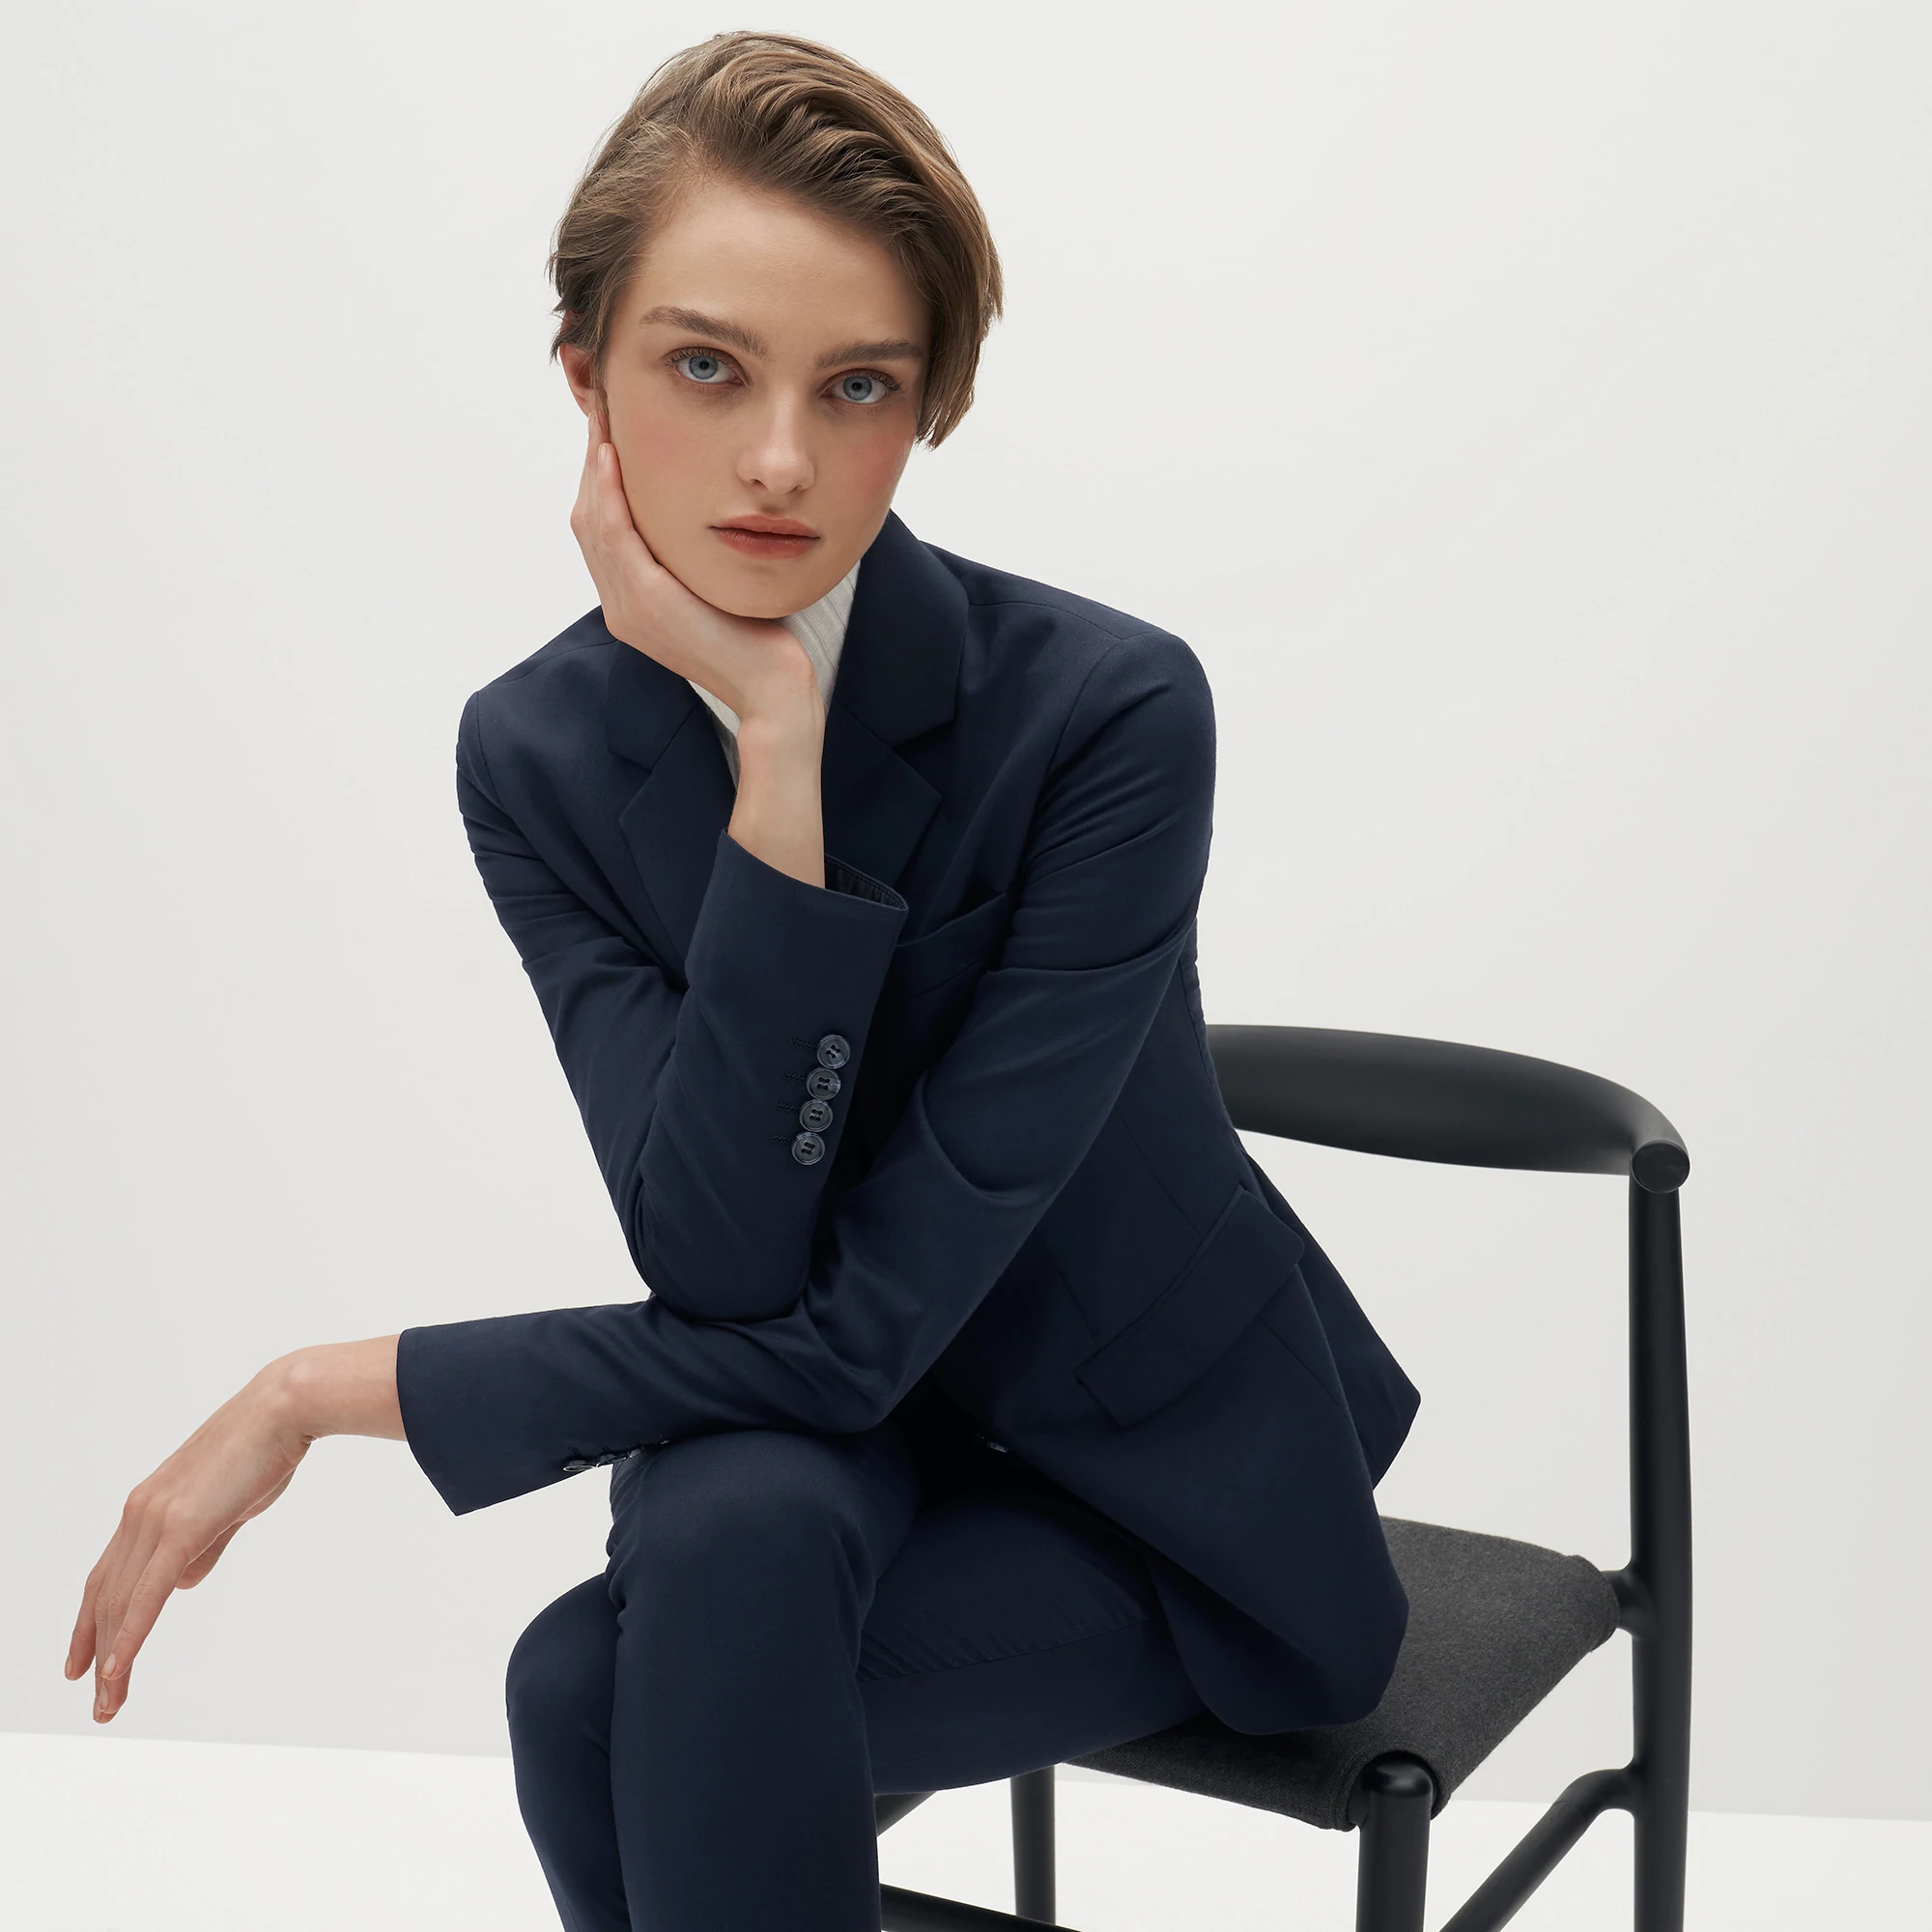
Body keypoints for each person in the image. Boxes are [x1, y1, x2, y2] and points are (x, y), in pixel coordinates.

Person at [68, 32, 1419, 1931]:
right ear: (584, 378)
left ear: (925, 408)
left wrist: (318, 1390)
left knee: (590, 1680)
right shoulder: (535, 755)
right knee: (701, 1563)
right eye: (705, 366)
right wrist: (762, 793)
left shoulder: (1105, 716)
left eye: (852, 387)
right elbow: (720, 1259)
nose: (780, 461)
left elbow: (856, 1333)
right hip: (826, 1459)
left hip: (1167, 1506)